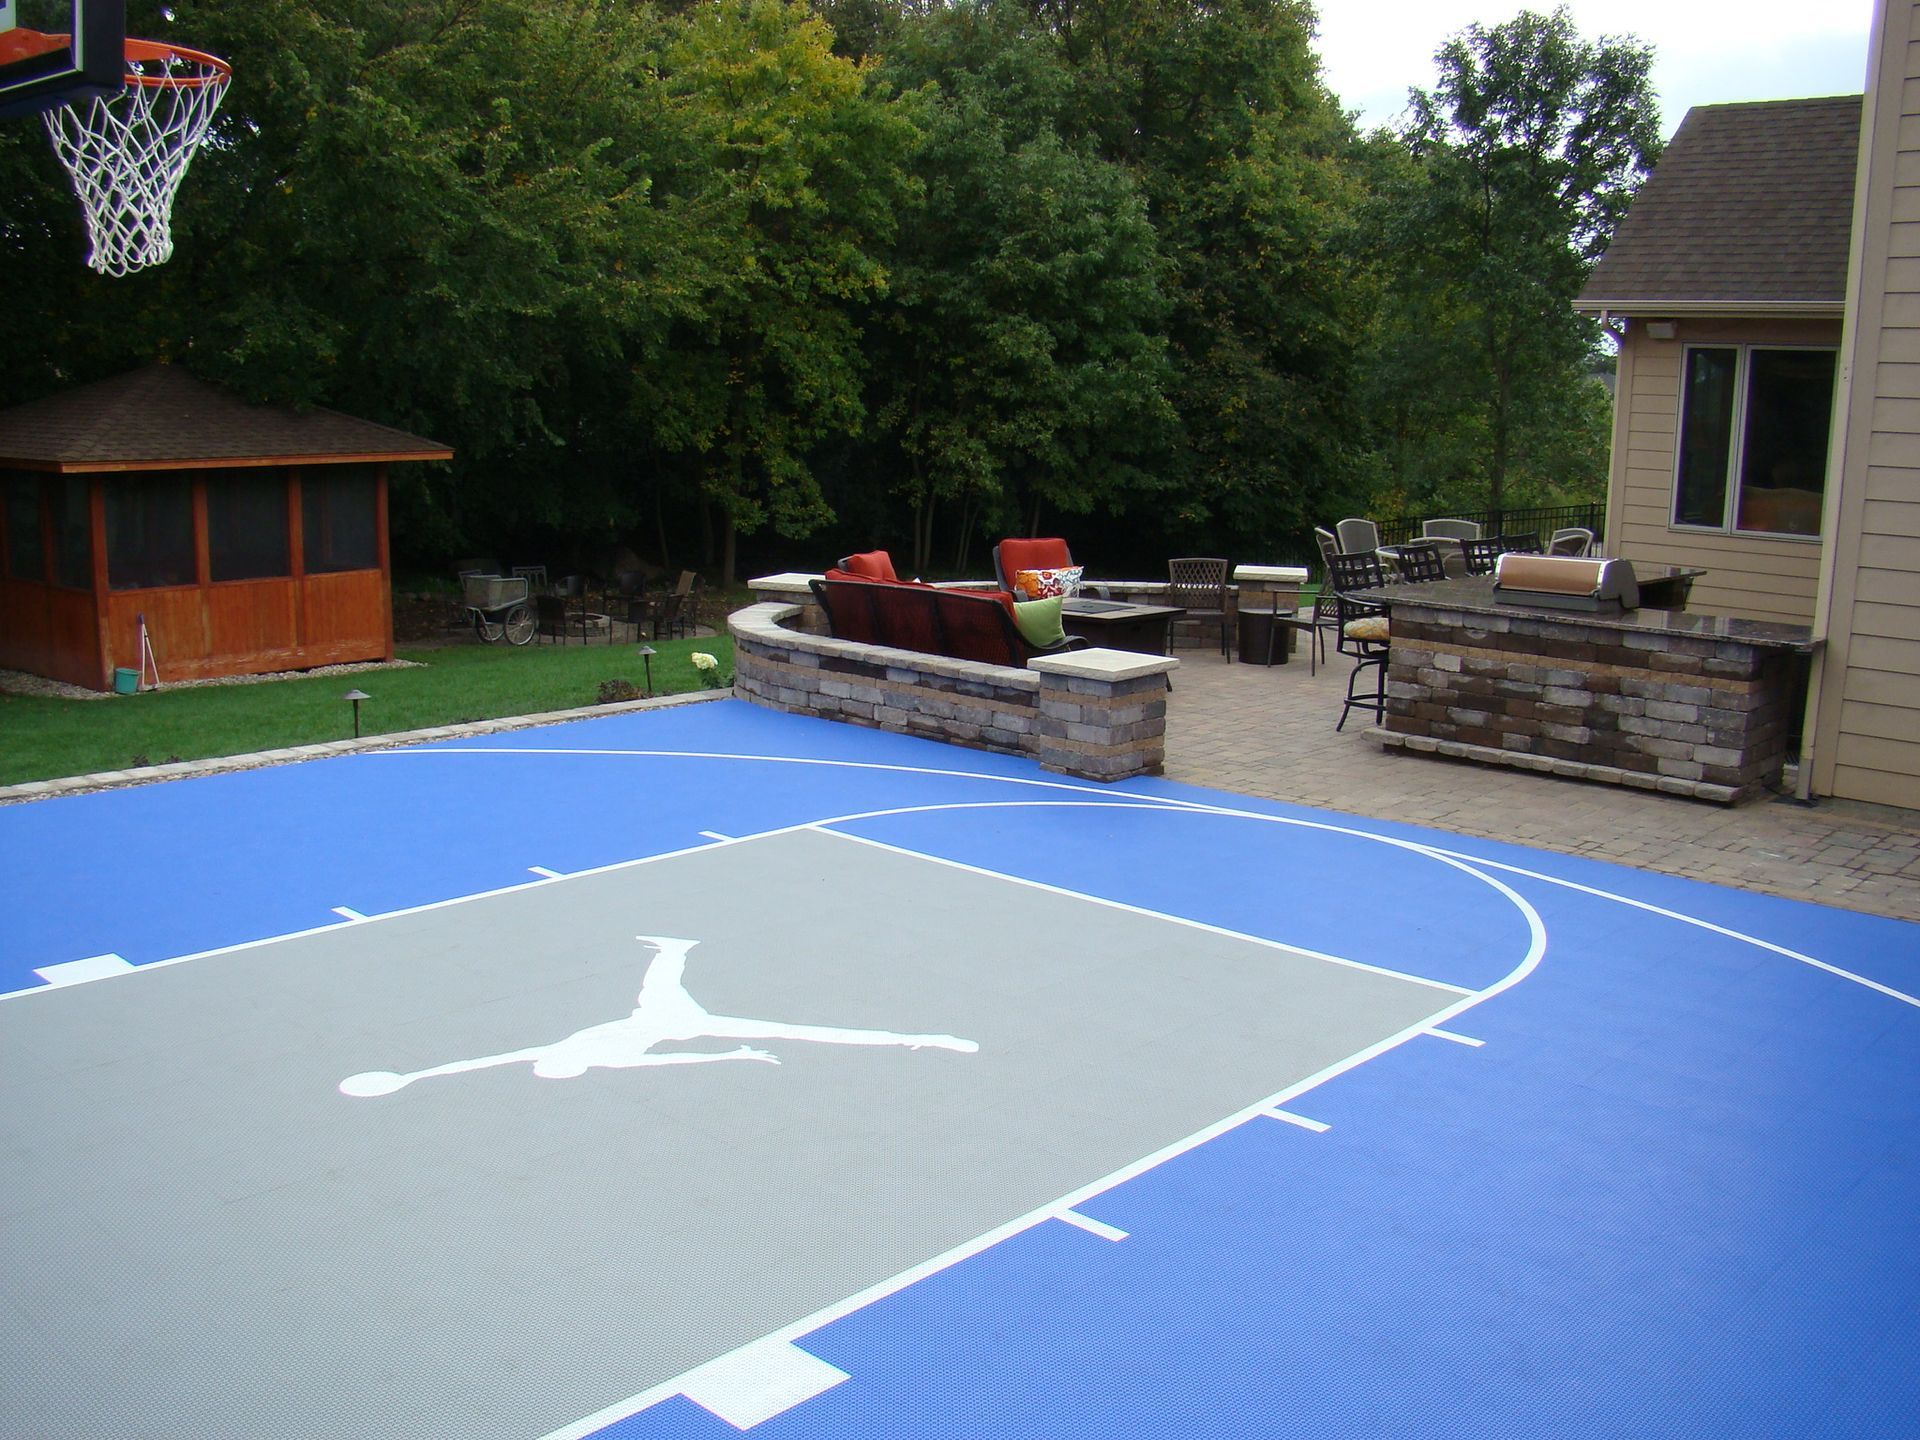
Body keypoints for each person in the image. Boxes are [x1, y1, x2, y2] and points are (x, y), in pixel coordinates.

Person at [340, 934, 978, 1097]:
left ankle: (676, 947)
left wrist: (414, 1076)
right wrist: (734, 1055)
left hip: (663, 1015)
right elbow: (671, 1062)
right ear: (574, 1068)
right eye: (560, 1063)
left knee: (662, 978)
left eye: (550, 1061)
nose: (552, 1057)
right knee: (794, 1031)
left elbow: (472, 1065)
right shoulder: (611, 1058)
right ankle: (921, 1038)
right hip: (679, 1026)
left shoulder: (545, 1056)